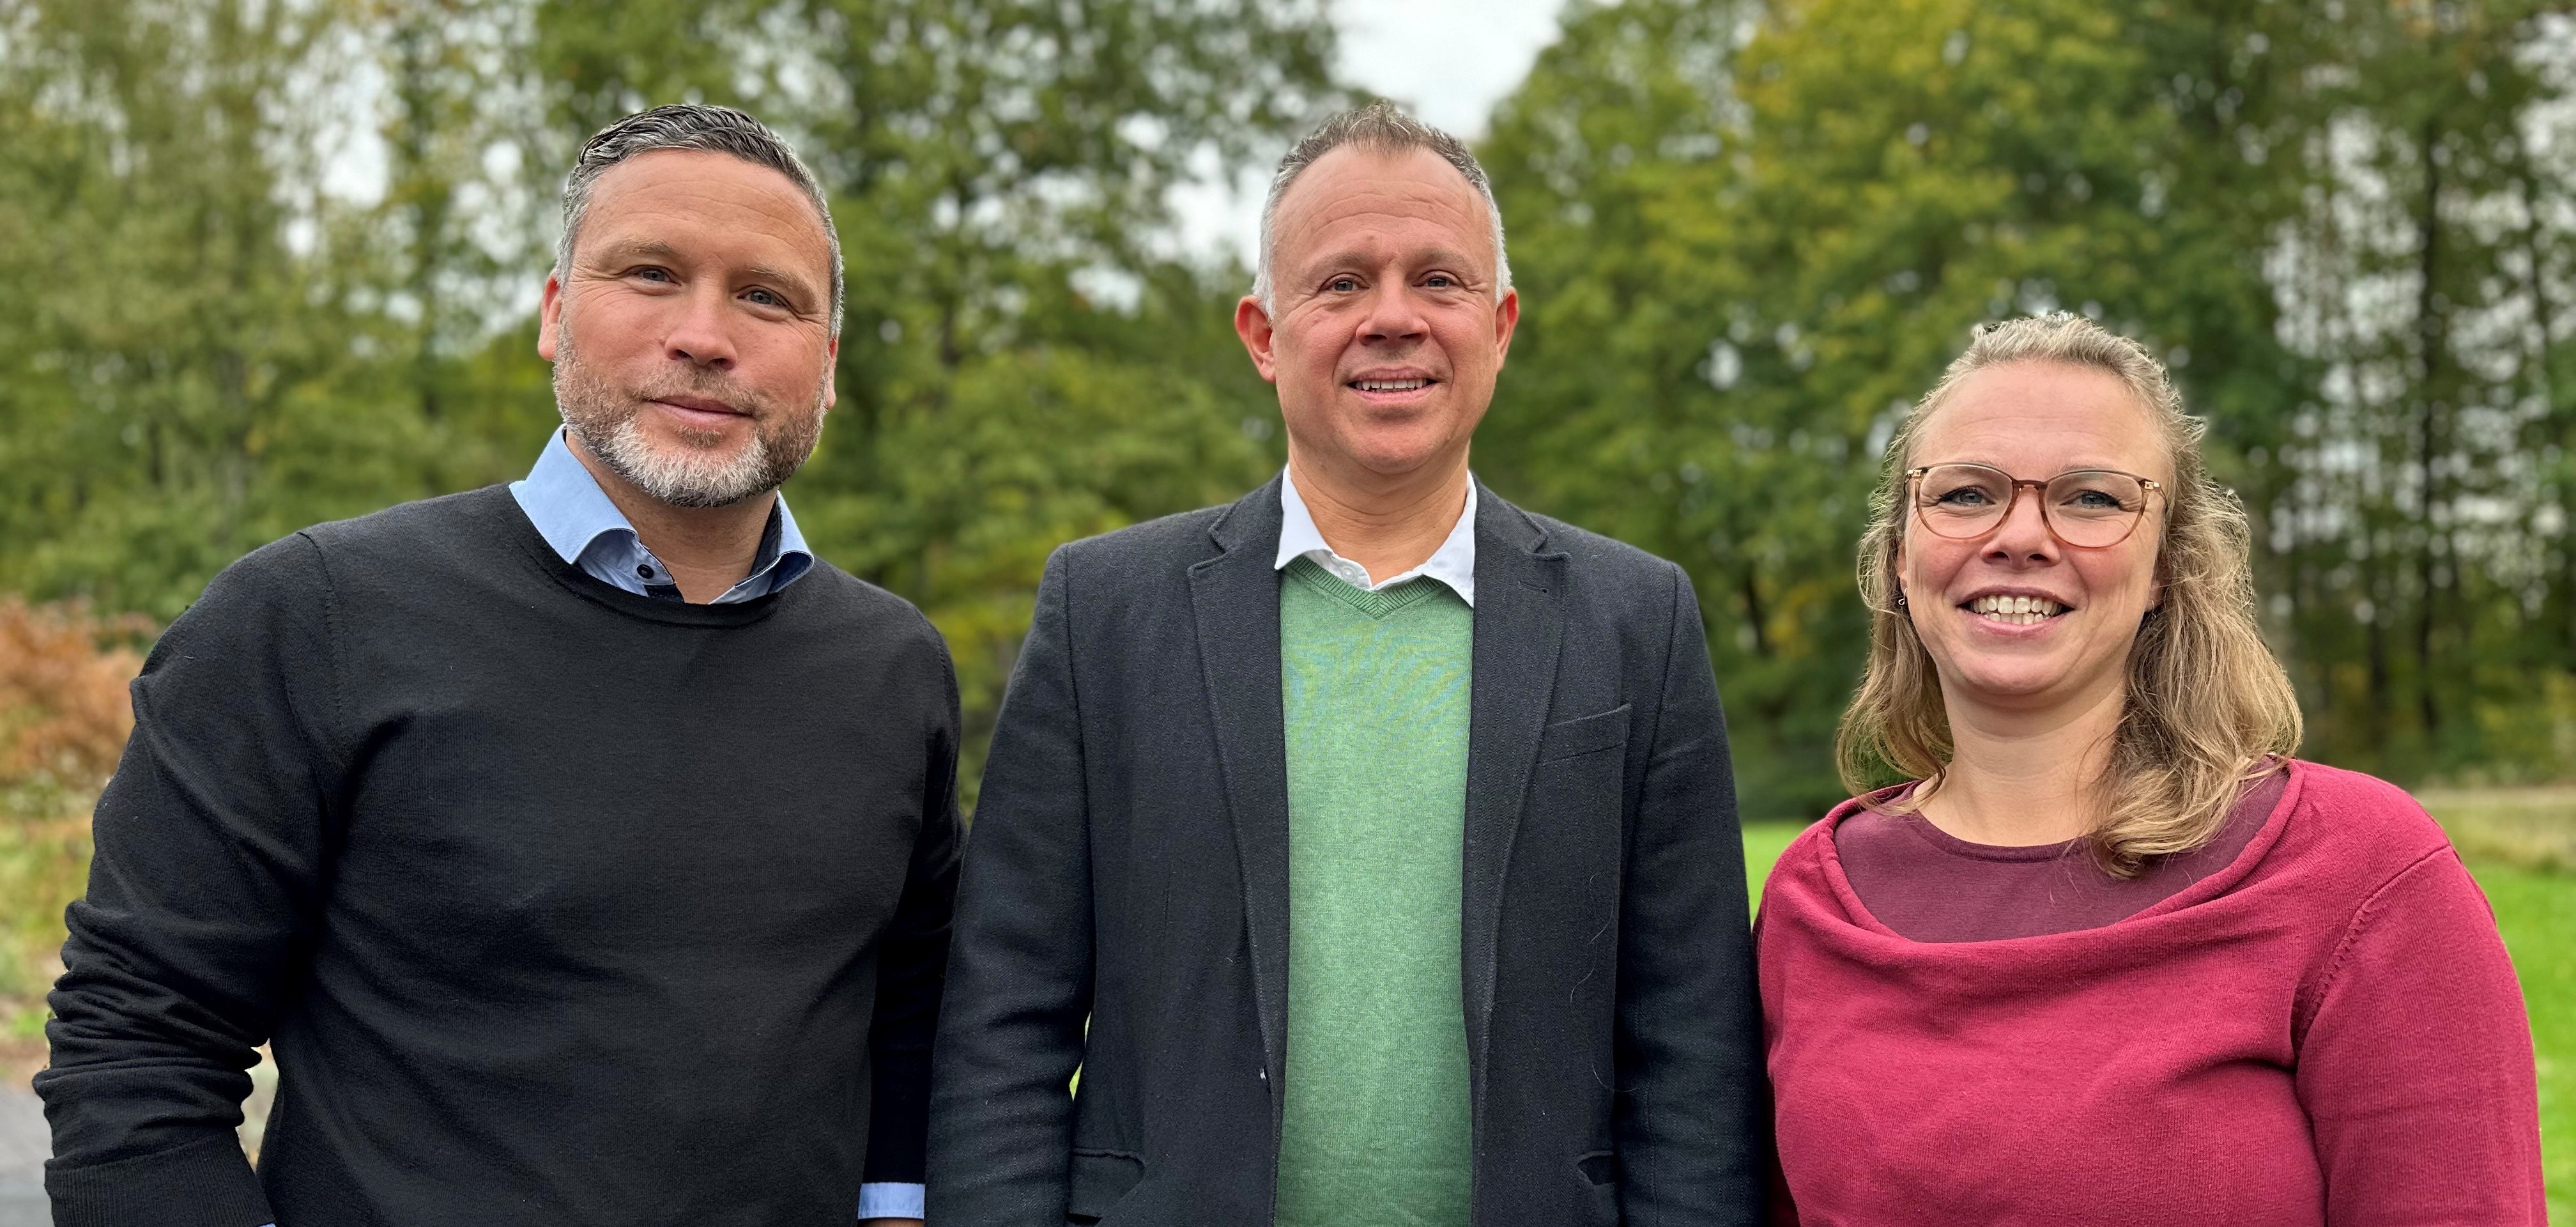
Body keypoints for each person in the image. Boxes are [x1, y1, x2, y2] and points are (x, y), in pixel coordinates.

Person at [38, 104, 953, 1227]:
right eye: (652, 274)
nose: (705, 336)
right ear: (556, 312)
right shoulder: (313, 618)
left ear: (828, 361)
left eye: (767, 296)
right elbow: (135, 1051)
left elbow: (911, 1016)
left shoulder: (893, 667)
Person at [927, 100, 1765, 1227]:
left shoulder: (1637, 620)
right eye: (1342, 283)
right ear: (1263, 335)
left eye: (1439, 280)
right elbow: (1003, 1021)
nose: (1394, 318)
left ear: (1501, 326)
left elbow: (1694, 1044)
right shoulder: (1103, 612)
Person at [1757, 313, 2545, 1223]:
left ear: (2168, 564)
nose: (2021, 536)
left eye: (2092, 499)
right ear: (1901, 556)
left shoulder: (2361, 873)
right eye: (1966, 493)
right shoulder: (1812, 902)